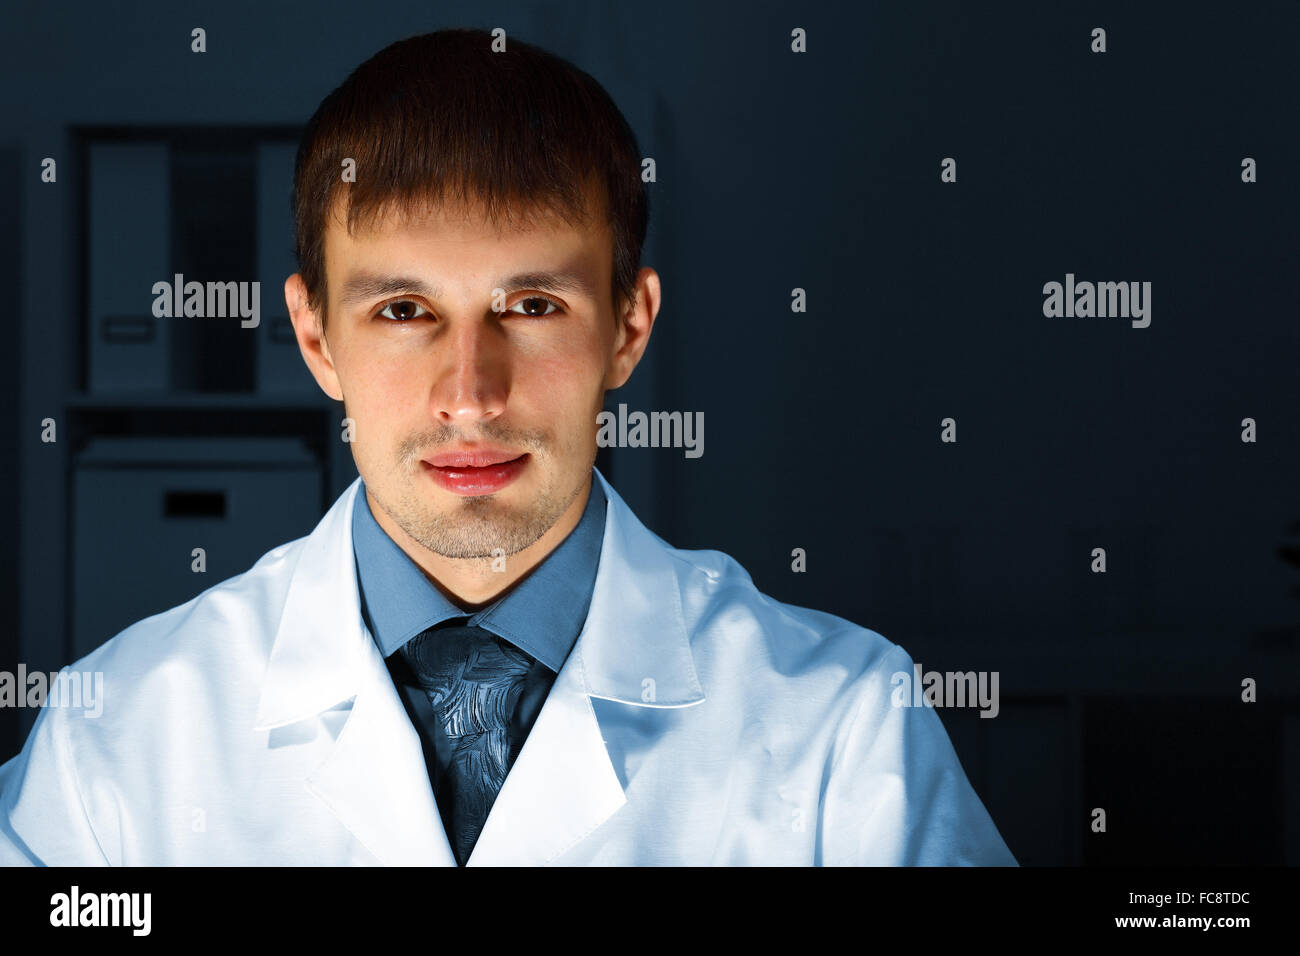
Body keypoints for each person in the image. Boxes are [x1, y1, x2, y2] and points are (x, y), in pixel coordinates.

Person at [0, 28, 1016, 866]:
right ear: (316, 339)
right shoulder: (119, 744)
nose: (470, 395)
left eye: (531, 304)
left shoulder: (843, 730)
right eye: (404, 309)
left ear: (627, 325)